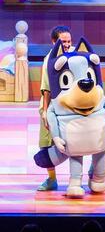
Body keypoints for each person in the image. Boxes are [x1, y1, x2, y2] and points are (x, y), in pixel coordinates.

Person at [37, 25, 73, 191]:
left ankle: (76, 178)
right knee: (46, 144)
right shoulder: (49, 60)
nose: (67, 44)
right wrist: (45, 112)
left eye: (69, 41)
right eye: (63, 41)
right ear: (53, 42)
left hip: (70, 107)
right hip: (51, 106)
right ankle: (52, 179)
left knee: (75, 144)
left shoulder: (74, 54)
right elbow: (46, 89)